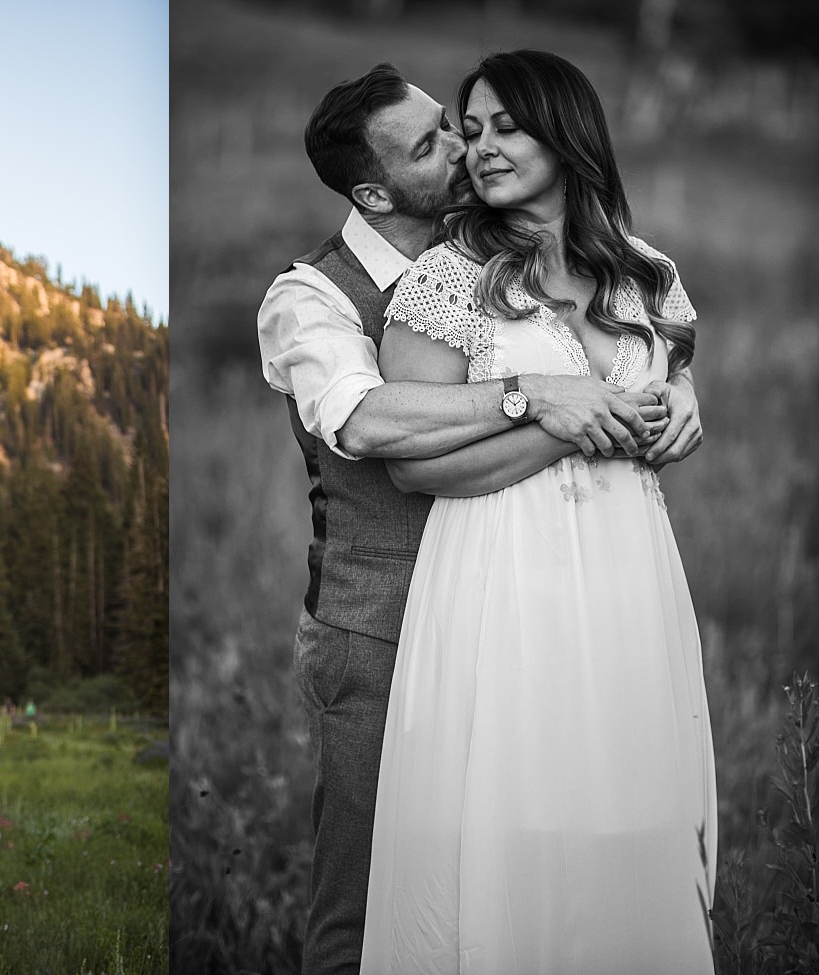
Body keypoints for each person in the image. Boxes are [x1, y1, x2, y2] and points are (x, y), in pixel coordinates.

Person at [256, 62, 702, 975]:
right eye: (437, 142)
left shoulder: (555, 253)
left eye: (459, 126)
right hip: (381, 619)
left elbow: (648, 337)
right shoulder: (313, 297)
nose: (466, 148)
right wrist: (540, 397)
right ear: (373, 189)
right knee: (375, 890)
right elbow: (369, 419)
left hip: (566, 599)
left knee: (569, 845)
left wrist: (677, 387)